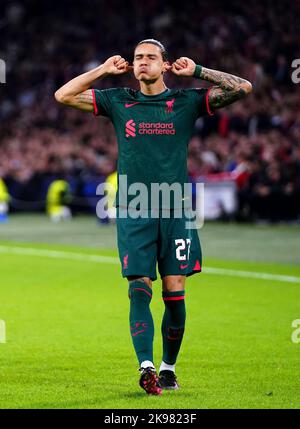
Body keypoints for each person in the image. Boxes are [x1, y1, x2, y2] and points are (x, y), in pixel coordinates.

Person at [55, 39, 252, 395]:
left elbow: (243, 88)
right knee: (138, 290)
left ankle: (168, 368)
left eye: (150, 57)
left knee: (175, 293)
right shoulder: (118, 100)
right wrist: (102, 70)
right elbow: (63, 96)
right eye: (138, 58)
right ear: (131, 65)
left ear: (165, 65)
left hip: (176, 210)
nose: (143, 62)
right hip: (135, 210)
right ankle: (145, 366)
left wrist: (199, 72)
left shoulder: (186, 101)